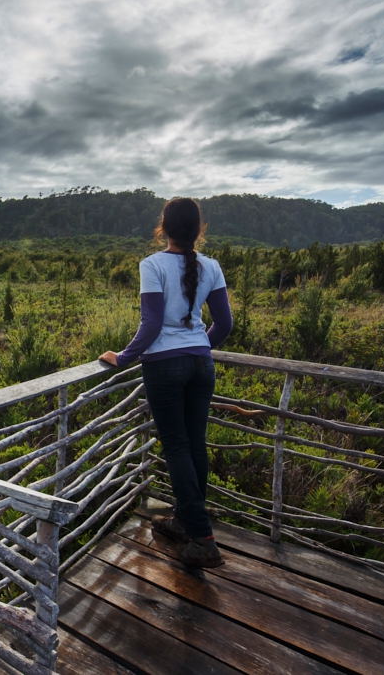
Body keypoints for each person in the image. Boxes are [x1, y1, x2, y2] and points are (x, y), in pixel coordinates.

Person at [99, 197, 233, 568]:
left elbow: (152, 323)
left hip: (165, 366)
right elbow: (223, 324)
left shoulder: (152, 264)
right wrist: (198, 345)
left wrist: (122, 357)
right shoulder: (212, 266)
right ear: (198, 229)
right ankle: (185, 523)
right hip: (201, 364)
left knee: (176, 447)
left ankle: (203, 539)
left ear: (164, 227)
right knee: (194, 446)